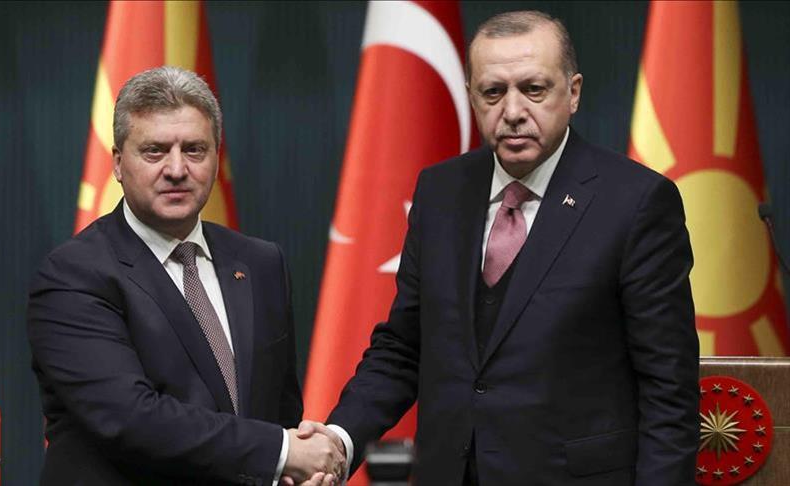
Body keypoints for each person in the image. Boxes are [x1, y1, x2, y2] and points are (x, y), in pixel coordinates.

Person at [299, 10, 699, 485]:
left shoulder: (635, 202)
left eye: (534, 89)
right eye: (493, 92)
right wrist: (339, 440)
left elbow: (668, 390)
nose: (512, 111)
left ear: (573, 92)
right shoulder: (441, 191)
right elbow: (404, 347)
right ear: (472, 95)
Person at [28, 66, 344, 486]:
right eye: (155, 151)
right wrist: (282, 452)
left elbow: (277, 411)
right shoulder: (73, 275)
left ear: (216, 158)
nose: (177, 169)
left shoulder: (261, 263)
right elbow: (132, 418)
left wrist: (289, 473)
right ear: (118, 164)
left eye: (194, 150)